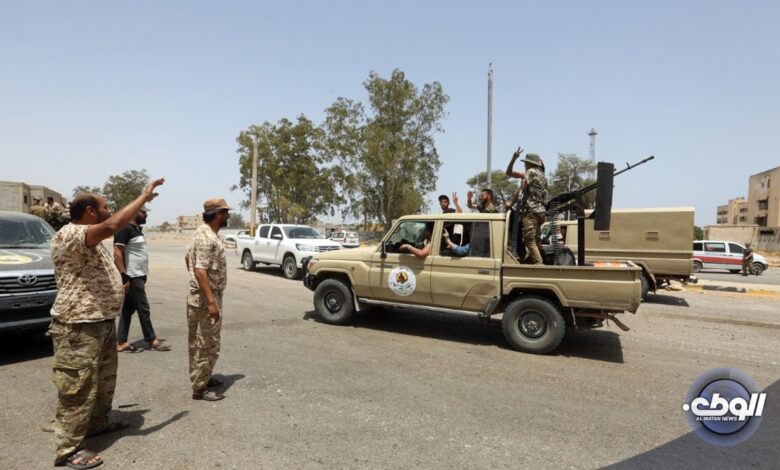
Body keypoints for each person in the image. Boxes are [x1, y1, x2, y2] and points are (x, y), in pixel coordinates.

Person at [49, 179, 164, 468]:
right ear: (90, 211)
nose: (108, 210)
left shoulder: (90, 237)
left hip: (100, 322)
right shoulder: (71, 234)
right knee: (77, 388)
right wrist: (143, 197)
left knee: (102, 382)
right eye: (104, 206)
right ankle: (68, 448)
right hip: (78, 326)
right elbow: (113, 225)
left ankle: (97, 423)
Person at [185, 198, 231, 401]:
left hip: (201, 295)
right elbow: (200, 270)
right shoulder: (207, 237)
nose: (228, 216)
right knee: (207, 343)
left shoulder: (202, 232)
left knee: (199, 341)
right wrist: (211, 301)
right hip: (205, 299)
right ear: (218, 214)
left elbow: (188, 258)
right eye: (226, 212)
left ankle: (203, 377)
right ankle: (200, 389)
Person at [114, 207, 170, 353]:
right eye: (143, 212)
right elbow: (117, 253)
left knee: (127, 310)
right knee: (143, 308)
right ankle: (151, 340)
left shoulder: (136, 230)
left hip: (140, 275)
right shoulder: (124, 229)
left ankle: (121, 342)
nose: (146, 215)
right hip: (132, 276)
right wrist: (124, 277)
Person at [507, 148, 548, 264]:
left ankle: (539, 264)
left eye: (525, 163)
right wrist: (514, 159)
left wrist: (511, 203)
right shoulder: (543, 176)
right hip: (541, 212)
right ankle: (532, 262)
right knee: (535, 240)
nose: (524, 165)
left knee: (529, 240)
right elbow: (510, 173)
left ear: (530, 163)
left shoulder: (530, 172)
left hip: (531, 212)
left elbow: (521, 189)